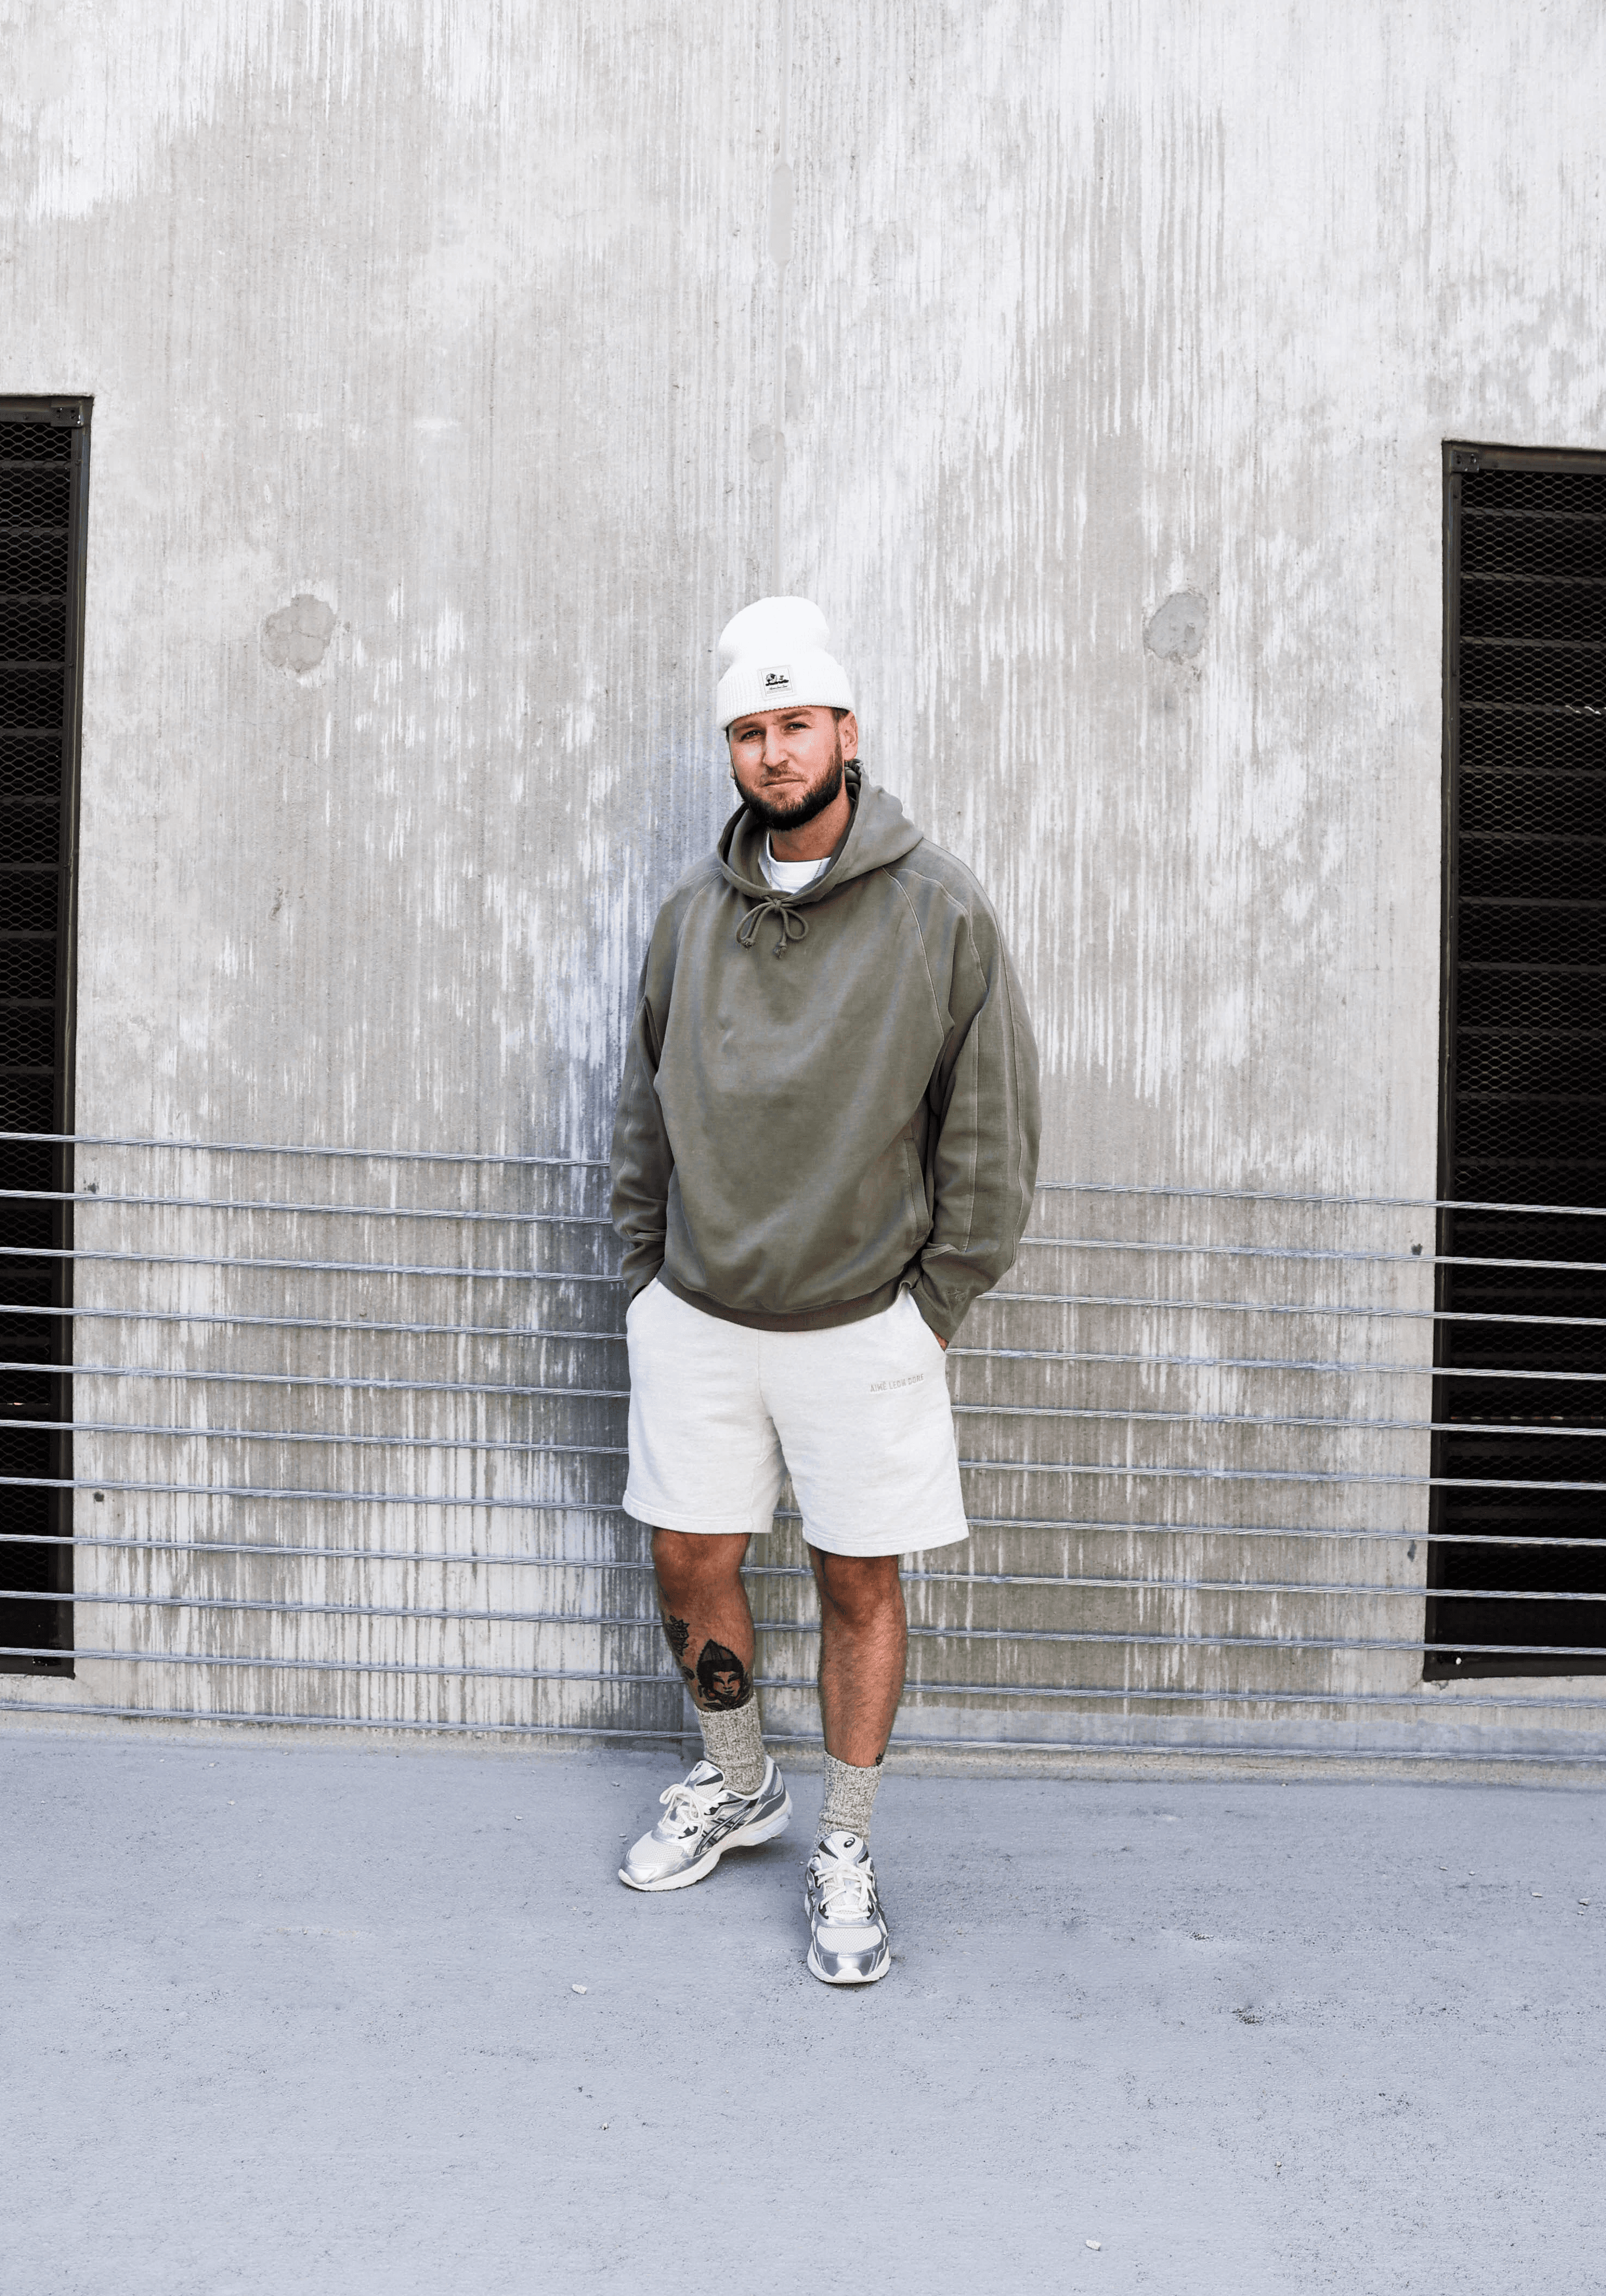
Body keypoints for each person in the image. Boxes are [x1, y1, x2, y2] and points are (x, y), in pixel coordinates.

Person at [610, 595, 1040, 1985]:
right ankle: (740, 1782)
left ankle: (845, 1841)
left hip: (864, 1324)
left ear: (846, 734)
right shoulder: (689, 916)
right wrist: (643, 1283)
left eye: (796, 724)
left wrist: (934, 1301)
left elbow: (990, 1128)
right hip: (698, 1316)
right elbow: (643, 1113)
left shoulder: (940, 910)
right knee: (691, 1559)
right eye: (750, 730)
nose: (774, 751)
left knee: (859, 1578)